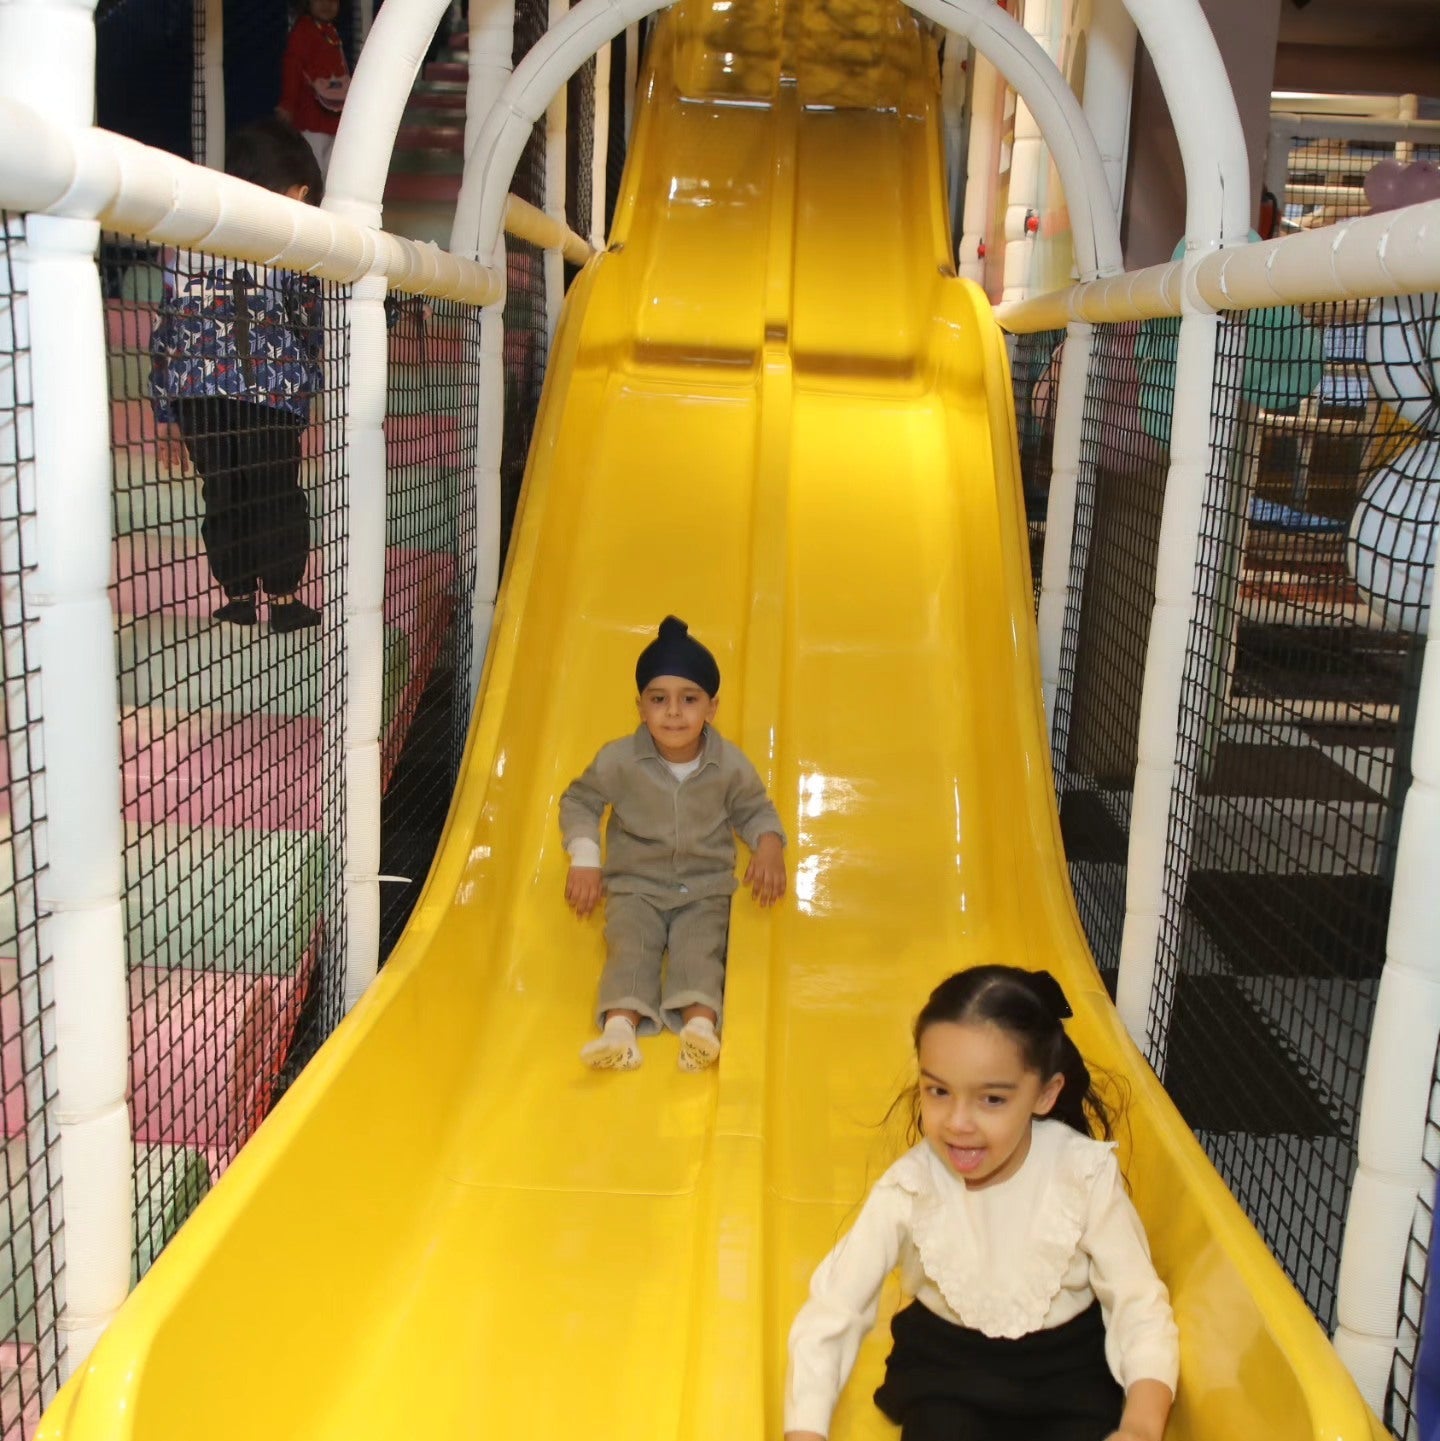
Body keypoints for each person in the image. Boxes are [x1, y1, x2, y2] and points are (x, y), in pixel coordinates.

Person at [785, 966, 1178, 1441]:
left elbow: (1137, 1301)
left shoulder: (1082, 1173)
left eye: (991, 1099)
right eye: (938, 1091)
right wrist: (805, 1429)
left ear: (1045, 1093)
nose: (958, 1122)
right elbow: (835, 1307)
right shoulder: (911, 1186)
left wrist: (1140, 1423)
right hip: (947, 1375)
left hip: (1069, 1378)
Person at [559, 616, 787, 1073]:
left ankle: (699, 1030)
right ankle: (619, 1031)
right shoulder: (620, 760)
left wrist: (768, 846)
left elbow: (754, 808)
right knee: (632, 946)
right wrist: (585, 859)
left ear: (712, 706)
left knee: (698, 950)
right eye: (658, 699)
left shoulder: (728, 765)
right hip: (635, 885)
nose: (674, 713)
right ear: (640, 707)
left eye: (689, 699)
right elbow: (579, 801)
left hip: (703, 888)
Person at [149, 118, 324, 634]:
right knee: (276, 492)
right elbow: (313, 316)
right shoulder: (292, 240)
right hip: (270, 394)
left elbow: (168, 327)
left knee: (224, 491)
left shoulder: (190, 239)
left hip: (200, 394)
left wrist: (166, 410)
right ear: (299, 191)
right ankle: (285, 596)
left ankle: (239, 594)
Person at [277, 0, 350, 175]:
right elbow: (292, 70)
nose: (327, 4)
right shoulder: (303, 31)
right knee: (315, 169)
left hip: (334, 117)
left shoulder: (331, 31)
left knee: (331, 170)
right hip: (310, 117)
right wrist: (288, 105)